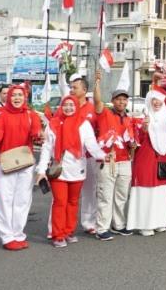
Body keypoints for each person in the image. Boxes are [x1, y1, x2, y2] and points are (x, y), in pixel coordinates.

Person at [35, 96, 106, 248]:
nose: (68, 108)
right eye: (65, 105)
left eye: (71, 105)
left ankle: (68, 231)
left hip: (77, 169)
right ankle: (58, 234)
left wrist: (103, 156)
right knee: (60, 202)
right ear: (61, 107)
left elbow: (91, 145)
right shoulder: (53, 124)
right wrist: (41, 170)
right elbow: (47, 149)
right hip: (58, 170)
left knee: (73, 202)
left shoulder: (84, 124)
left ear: (76, 106)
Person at [0, 83, 41, 251]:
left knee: (23, 200)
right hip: (5, 163)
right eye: (13, 95)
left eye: (20, 95)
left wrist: (39, 136)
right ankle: (7, 236)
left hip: (25, 163)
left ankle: (18, 233)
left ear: (25, 97)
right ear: (8, 97)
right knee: (5, 201)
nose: (17, 98)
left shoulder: (31, 115)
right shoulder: (0, 115)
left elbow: (35, 133)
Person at [126, 90, 166, 236]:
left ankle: (159, 221)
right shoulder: (142, 117)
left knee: (160, 190)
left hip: (161, 157)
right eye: (154, 100)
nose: (157, 102)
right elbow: (135, 139)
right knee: (146, 189)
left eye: (159, 100)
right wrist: (144, 128)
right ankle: (144, 223)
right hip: (145, 158)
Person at [92, 78, 134, 241]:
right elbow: (97, 100)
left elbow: (130, 139)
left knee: (122, 196)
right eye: (118, 99)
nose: (122, 102)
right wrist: (97, 83)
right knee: (105, 196)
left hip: (125, 161)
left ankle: (119, 225)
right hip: (108, 161)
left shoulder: (129, 119)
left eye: (124, 99)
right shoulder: (105, 114)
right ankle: (102, 228)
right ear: (113, 101)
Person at [67, 74, 100, 236]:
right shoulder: (66, 106)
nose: (71, 90)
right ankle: (61, 225)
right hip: (67, 158)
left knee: (89, 190)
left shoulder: (92, 109)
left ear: (84, 90)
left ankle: (89, 222)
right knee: (65, 195)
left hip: (88, 157)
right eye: (71, 87)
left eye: (75, 87)